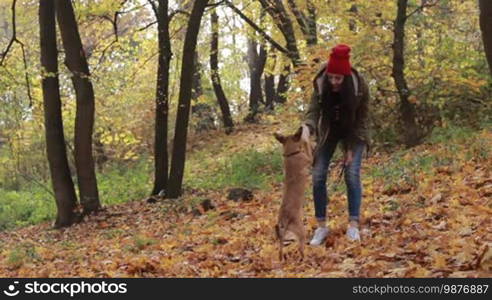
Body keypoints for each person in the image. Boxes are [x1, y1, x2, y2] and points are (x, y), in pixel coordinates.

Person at [303, 44, 370, 244]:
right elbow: (313, 111)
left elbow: (362, 120)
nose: (334, 82)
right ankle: (321, 227)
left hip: (353, 131)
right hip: (329, 131)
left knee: (351, 173)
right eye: (331, 77)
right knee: (318, 175)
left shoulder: (359, 86)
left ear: (346, 77)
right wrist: (307, 128)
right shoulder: (321, 82)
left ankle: (353, 225)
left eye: (338, 78)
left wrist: (350, 148)